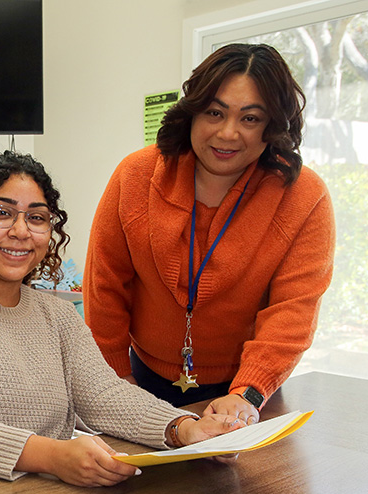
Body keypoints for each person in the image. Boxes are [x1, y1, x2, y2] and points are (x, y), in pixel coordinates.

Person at [0, 151, 244, 487]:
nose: (21, 230)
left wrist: (183, 428)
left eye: (36, 218)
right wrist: (53, 456)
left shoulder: (56, 315)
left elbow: (104, 395)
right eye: (2, 213)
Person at [82, 43, 335, 423]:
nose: (228, 133)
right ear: (193, 112)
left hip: (247, 392)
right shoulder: (134, 176)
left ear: (273, 125)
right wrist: (116, 381)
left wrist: (248, 393)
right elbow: (104, 288)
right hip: (139, 380)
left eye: (251, 119)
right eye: (215, 113)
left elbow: (292, 312)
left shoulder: (304, 196)